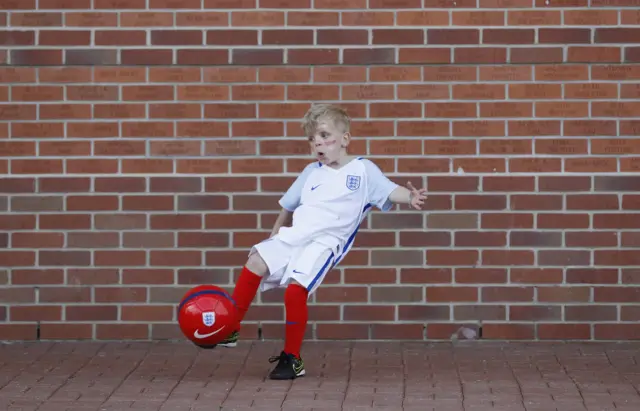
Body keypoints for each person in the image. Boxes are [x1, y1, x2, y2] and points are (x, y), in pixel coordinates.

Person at [217, 103, 427, 380]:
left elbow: (389, 190)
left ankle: (292, 359)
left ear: (345, 139)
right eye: (313, 138)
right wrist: (275, 233)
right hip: (295, 235)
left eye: (325, 136)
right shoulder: (310, 172)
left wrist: (408, 197)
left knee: (294, 291)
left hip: (325, 243)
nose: (318, 143)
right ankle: (229, 327)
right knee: (256, 260)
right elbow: (288, 206)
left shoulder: (363, 170)